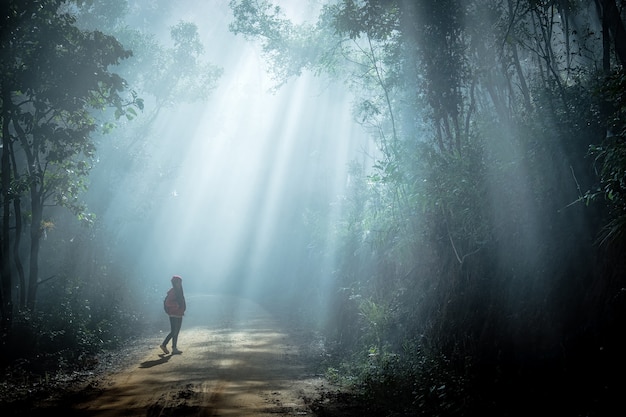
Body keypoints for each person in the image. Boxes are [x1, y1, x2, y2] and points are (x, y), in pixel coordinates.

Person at [160, 275, 186, 355]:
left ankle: (174, 348)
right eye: (178, 282)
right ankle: (164, 345)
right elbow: (168, 303)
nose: (179, 284)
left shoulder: (179, 291)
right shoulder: (173, 291)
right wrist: (176, 305)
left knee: (176, 332)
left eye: (180, 282)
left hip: (179, 314)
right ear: (174, 283)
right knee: (173, 331)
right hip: (173, 314)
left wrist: (182, 309)